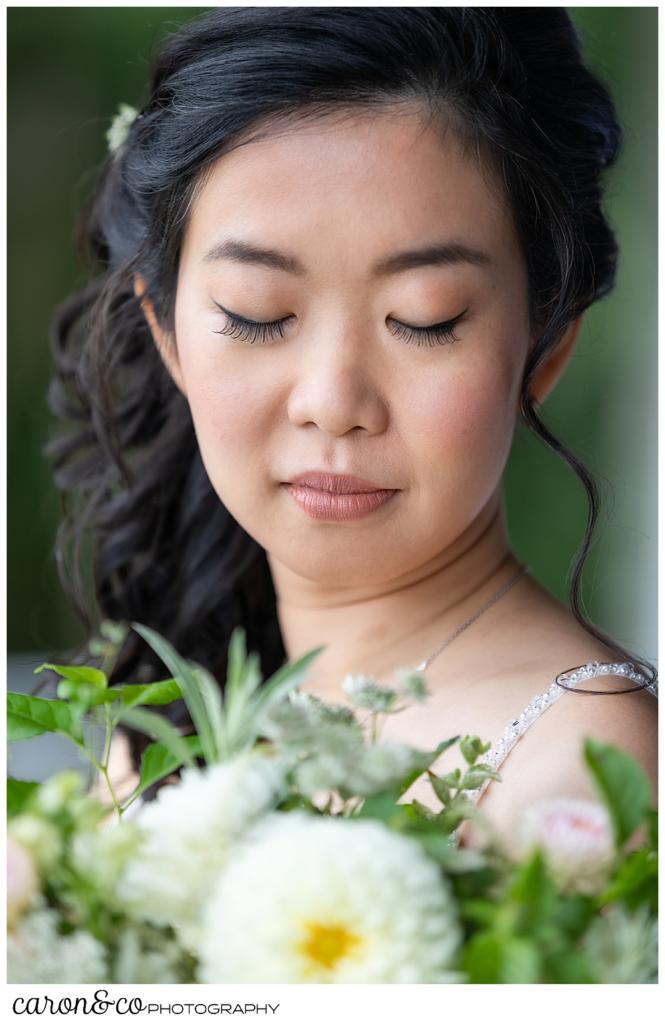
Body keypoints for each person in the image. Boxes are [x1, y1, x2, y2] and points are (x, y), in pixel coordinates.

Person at [46, 8, 657, 847]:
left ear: (543, 349)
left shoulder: (579, 780)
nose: (332, 401)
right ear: (168, 333)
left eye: (424, 319)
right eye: (257, 315)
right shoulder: (170, 728)